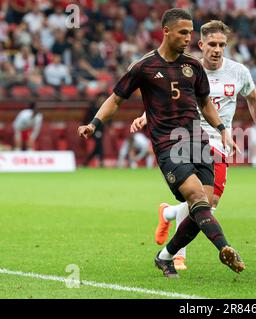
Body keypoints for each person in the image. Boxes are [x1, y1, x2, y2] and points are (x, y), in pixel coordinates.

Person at [78, 9, 244, 278]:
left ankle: (165, 256)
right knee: (196, 197)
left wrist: (222, 129)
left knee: (203, 206)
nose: (189, 38)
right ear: (165, 31)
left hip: (198, 141)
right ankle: (224, 248)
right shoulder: (144, 66)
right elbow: (116, 99)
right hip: (169, 145)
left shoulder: (194, 66)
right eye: (183, 32)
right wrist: (93, 124)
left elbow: (204, 104)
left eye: (190, 32)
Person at [130, 20, 256, 270]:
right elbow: (166, 96)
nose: (217, 49)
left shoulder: (238, 71)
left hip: (221, 140)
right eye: (212, 44)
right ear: (201, 44)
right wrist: (145, 116)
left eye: (222, 45)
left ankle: (169, 215)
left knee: (203, 204)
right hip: (190, 137)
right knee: (206, 204)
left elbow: (253, 99)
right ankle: (175, 255)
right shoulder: (189, 68)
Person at [82, 93, 108, 167]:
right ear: (98, 99)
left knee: (97, 146)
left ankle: (87, 162)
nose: (103, 100)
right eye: (102, 98)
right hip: (94, 130)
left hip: (101, 130)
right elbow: (86, 119)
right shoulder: (92, 108)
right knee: (99, 145)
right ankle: (101, 161)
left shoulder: (104, 108)